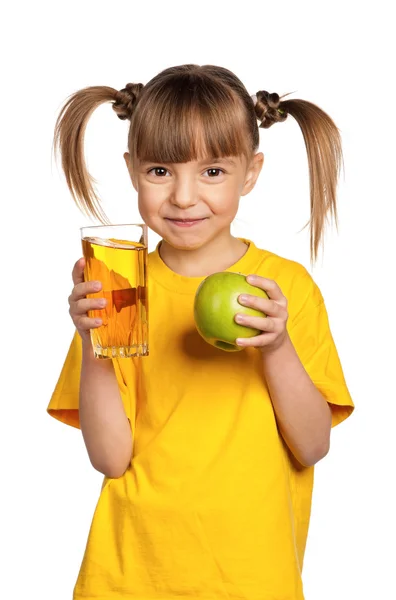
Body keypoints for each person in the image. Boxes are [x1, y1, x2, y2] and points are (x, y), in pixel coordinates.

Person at [47, 64, 354, 600]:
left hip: (251, 578)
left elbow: (311, 445)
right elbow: (110, 457)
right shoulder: (119, 284)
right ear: (131, 170)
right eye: (160, 171)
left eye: (212, 172)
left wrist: (276, 346)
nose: (184, 197)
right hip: (130, 575)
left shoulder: (283, 289)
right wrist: (93, 342)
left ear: (251, 173)